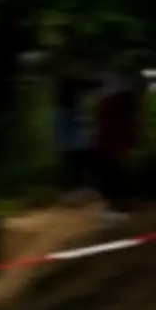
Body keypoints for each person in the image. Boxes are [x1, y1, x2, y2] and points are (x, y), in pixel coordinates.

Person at [92, 70, 142, 219]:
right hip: (116, 107)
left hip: (114, 107)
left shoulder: (116, 96)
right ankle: (120, 202)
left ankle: (118, 203)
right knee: (115, 161)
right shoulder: (126, 85)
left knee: (112, 161)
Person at [53, 54, 102, 202]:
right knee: (77, 152)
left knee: (78, 152)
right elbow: (89, 84)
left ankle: (76, 189)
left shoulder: (68, 81)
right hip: (68, 117)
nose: (80, 69)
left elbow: (90, 84)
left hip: (69, 117)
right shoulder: (68, 81)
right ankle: (74, 189)